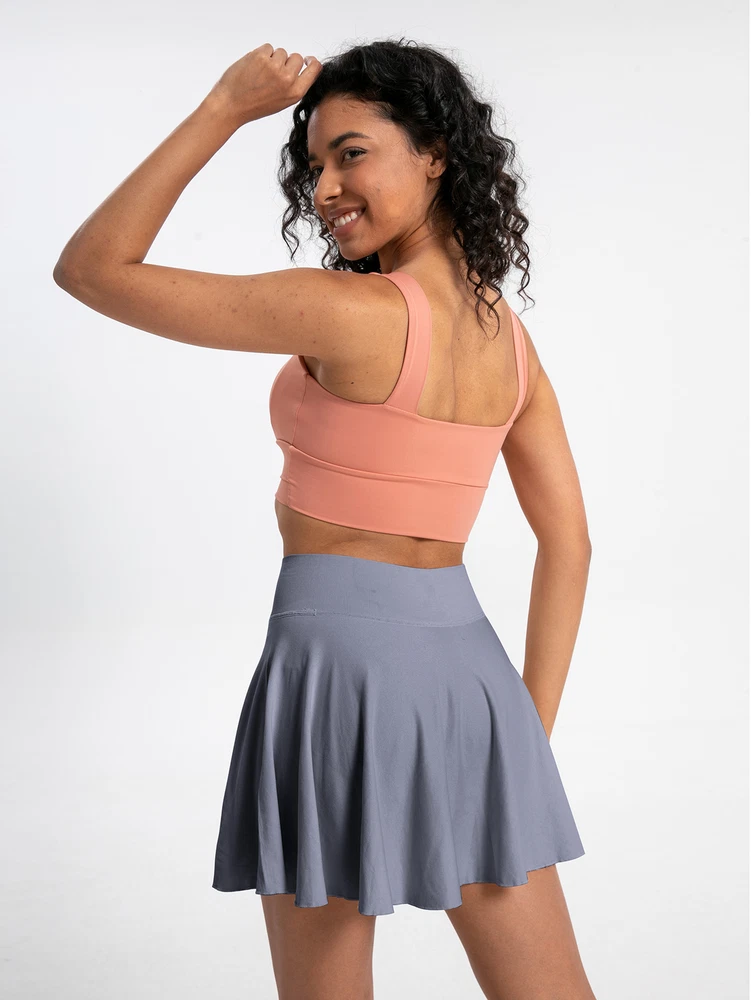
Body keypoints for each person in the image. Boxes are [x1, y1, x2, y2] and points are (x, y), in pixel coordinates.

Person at [53, 37, 596, 1000]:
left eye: (351, 153)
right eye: (314, 166)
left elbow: (92, 270)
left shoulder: (343, 312)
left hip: (335, 669)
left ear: (435, 153)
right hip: (473, 683)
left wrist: (225, 105)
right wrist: (524, 732)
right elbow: (570, 543)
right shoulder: (511, 343)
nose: (326, 188)